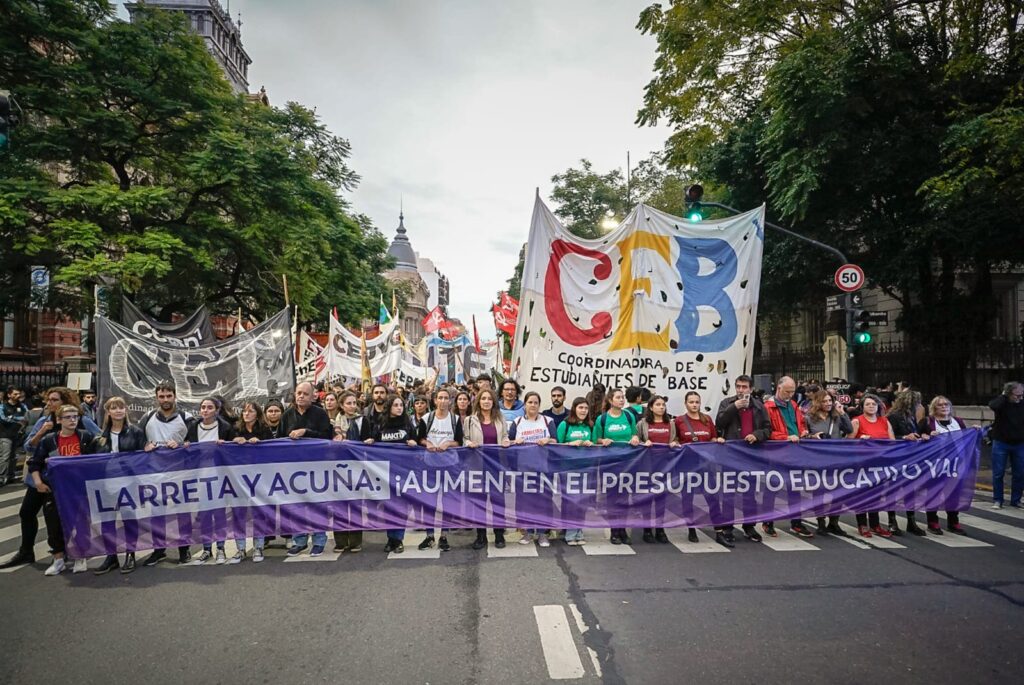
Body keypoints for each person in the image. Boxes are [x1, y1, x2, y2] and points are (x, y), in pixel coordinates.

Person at [28, 404, 100, 575]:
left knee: (81, 523)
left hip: (79, 488)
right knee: (54, 524)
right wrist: (38, 483)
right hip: (55, 489)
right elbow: (34, 462)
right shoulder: (49, 440)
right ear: (59, 420)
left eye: (75, 417)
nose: (72, 420)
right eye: (68, 417)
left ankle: (80, 557)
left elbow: (97, 458)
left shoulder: (85, 437)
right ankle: (58, 559)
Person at [135, 384, 193, 566]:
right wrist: (144, 445)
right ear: (156, 397)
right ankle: (158, 550)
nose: (165, 399)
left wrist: (184, 445)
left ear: (175, 396)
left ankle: (185, 550)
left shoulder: (187, 418)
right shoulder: (147, 418)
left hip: (179, 473)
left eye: (169, 396)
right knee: (156, 514)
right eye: (162, 396)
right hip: (154, 474)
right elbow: (137, 440)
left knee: (182, 513)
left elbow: (195, 443)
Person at [93, 396, 147, 574]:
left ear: (126, 410)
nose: (118, 411)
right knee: (107, 522)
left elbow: (142, 458)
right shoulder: (100, 437)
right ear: (108, 412)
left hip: (128, 483)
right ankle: (111, 556)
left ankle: (130, 554)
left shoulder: (136, 432)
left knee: (129, 520)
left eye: (121, 407)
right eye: (114, 408)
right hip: (106, 484)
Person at [715, 374, 770, 542]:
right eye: (738, 386)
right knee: (729, 492)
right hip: (731, 455)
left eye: (744, 387)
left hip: (751, 454)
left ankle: (749, 526)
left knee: (750, 493)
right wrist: (734, 407)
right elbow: (719, 423)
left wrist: (757, 434)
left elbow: (768, 429)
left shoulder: (759, 406)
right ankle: (728, 527)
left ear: (751, 389)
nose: (741, 390)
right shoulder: (727, 403)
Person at [184, 398, 239, 564]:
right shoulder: (193, 427)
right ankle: (206, 549)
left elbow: (233, 450)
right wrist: (186, 446)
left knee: (219, 513)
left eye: (209, 407)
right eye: (203, 407)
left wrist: (226, 445)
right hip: (200, 475)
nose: (205, 410)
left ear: (216, 410)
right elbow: (188, 449)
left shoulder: (225, 427)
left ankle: (220, 548)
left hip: (219, 475)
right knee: (205, 513)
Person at [282, 381, 333, 556]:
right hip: (294, 468)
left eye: (305, 393)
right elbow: (280, 440)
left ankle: (319, 540)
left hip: (316, 467)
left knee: (317, 504)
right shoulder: (288, 414)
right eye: (298, 393)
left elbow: (327, 437)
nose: (301, 396)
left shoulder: (320, 414)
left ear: (313, 396)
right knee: (297, 506)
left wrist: (306, 432)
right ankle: (300, 540)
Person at [675, 391, 731, 546]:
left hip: (706, 466)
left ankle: (719, 531)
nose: (694, 405)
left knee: (712, 498)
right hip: (687, 467)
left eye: (697, 402)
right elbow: (674, 440)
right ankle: (691, 528)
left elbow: (712, 437)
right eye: (691, 402)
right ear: (685, 403)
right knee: (687, 499)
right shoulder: (679, 421)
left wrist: (717, 440)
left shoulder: (707, 420)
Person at [762, 376, 815, 539]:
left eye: (792, 391)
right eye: (787, 391)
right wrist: (785, 436)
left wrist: (803, 432)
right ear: (779, 388)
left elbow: (799, 423)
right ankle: (767, 521)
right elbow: (767, 431)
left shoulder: (792, 405)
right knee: (772, 487)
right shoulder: (768, 407)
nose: (790, 394)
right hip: (777, 452)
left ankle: (796, 522)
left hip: (794, 451)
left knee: (795, 488)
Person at [365, 394, 419, 553]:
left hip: (402, 471)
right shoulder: (380, 423)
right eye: (396, 405)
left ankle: (398, 539)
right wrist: (371, 442)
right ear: (389, 407)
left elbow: (416, 440)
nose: (399, 408)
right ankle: (390, 538)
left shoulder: (407, 424)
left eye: (401, 405)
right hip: (385, 472)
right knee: (388, 506)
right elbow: (373, 440)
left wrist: (413, 443)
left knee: (401, 506)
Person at [416, 388, 464, 551]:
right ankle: (429, 536)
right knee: (429, 501)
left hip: (450, 464)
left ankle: (444, 535)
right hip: (430, 465)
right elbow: (419, 439)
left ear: (450, 401)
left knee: (447, 501)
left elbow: (459, 442)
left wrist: (448, 444)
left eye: (446, 398)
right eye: (440, 398)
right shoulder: (426, 418)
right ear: (435, 400)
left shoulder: (455, 419)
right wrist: (427, 443)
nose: (443, 401)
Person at [464, 388, 511, 549]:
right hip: (477, 467)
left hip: (496, 467)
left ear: (493, 402)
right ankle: (481, 536)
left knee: (498, 502)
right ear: (478, 401)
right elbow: (464, 438)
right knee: (479, 502)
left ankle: (499, 535)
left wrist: (506, 441)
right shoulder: (470, 420)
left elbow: (505, 436)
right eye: (483, 398)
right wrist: (468, 443)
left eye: (489, 399)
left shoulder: (500, 418)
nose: (486, 401)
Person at [510, 391, 558, 547]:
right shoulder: (517, 422)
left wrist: (548, 439)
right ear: (525, 404)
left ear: (539, 405)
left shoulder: (547, 420)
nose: (533, 405)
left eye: (536, 402)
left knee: (544, 501)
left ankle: (543, 533)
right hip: (523, 469)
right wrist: (515, 441)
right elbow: (508, 442)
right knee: (526, 502)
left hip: (543, 468)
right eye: (530, 402)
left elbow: (556, 441)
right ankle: (529, 532)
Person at [804, 389, 853, 535]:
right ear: (817, 402)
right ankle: (821, 522)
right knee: (819, 493)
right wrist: (813, 436)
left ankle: (834, 522)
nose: (828, 404)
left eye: (830, 401)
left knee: (837, 492)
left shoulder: (836, 416)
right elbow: (804, 437)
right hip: (818, 460)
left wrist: (842, 412)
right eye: (824, 401)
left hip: (836, 458)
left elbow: (849, 429)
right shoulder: (809, 418)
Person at [593, 387, 639, 544]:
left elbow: (635, 434)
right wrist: (602, 441)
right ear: (611, 400)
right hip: (609, 464)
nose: (622, 400)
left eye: (623, 397)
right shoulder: (602, 419)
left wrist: (634, 438)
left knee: (625, 497)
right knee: (611, 498)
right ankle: (614, 531)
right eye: (618, 397)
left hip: (627, 462)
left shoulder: (629, 416)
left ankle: (623, 530)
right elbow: (595, 439)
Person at [918, 395, 968, 534]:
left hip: (955, 462)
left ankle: (953, 521)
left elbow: (966, 438)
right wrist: (925, 437)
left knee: (953, 492)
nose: (944, 407)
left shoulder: (958, 421)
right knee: (934, 491)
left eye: (946, 404)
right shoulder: (927, 421)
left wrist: (974, 431)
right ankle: (932, 521)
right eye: (940, 405)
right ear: (934, 408)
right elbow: (917, 437)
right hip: (936, 463)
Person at [848, 394, 895, 537]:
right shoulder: (857, 421)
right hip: (862, 464)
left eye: (874, 404)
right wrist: (860, 440)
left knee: (876, 495)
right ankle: (862, 524)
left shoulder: (884, 421)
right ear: (862, 407)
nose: (871, 406)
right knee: (862, 494)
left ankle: (875, 524)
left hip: (880, 464)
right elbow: (847, 441)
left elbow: (892, 441)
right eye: (868, 404)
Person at [636, 395, 678, 544]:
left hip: (665, 465)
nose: (661, 407)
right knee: (647, 497)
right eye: (658, 404)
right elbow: (636, 441)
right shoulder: (643, 423)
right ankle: (647, 529)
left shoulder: (671, 423)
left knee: (661, 498)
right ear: (651, 407)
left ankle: (660, 528)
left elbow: (675, 439)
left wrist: (674, 443)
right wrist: (643, 442)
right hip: (647, 465)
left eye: (663, 405)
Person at [332, 390, 366, 554]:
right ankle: (340, 540)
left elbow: (367, 438)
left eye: (354, 403)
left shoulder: (362, 420)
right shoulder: (334, 422)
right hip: (338, 466)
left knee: (355, 504)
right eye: (349, 403)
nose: (352, 406)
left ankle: (355, 541)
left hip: (356, 465)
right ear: (342, 405)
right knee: (338, 504)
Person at [557, 397, 595, 546]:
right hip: (568, 469)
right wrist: (569, 444)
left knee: (583, 501)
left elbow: (597, 443)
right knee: (571, 501)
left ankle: (579, 531)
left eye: (586, 408)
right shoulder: (564, 425)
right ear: (574, 409)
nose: (583, 411)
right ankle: (570, 532)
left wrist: (591, 444)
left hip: (586, 468)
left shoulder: (590, 426)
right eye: (580, 408)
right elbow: (557, 446)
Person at [988, 382, 1024, 510]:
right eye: (1017, 395)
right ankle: (998, 500)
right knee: (998, 473)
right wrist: (1003, 396)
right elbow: (993, 405)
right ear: (1009, 394)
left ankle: (1016, 500)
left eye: (1022, 395)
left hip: (1019, 443)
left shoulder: (1022, 404)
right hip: (1001, 442)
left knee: (1019, 473)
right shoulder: (1001, 403)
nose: (1020, 398)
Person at [0, 386, 29, 486]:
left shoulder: (23, 406)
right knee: (5, 456)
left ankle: (11, 475)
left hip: (17, 434)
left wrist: (13, 418)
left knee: (13, 456)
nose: (18, 396)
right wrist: (18, 419)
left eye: (18, 394)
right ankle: (2, 477)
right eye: (15, 394)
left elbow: (26, 417)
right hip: (5, 434)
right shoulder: (2, 406)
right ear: (9, 395)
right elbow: (3, 419)